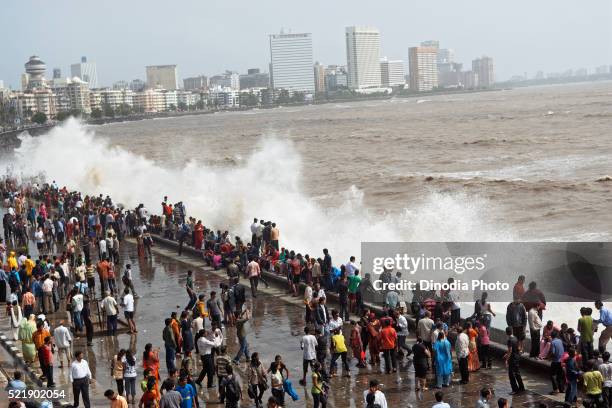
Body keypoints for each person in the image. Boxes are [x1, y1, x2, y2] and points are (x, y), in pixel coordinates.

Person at [504, 326, 525, 395]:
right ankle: (521, 387)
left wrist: (507, 359)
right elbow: (518, 348)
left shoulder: (509, 340)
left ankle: (515, 390)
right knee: (517, 372)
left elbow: (510, 350)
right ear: (512, 331)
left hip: (512, 358)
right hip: (517, 357)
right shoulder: (515, 338)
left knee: (511, 374)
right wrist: (506, 354)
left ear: (506, 333)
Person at [549, 329, 565, 394]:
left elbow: (553, 352)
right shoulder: (560, 340)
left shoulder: (552, 342)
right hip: (561, 360)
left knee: (553, 375)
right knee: (560, 375)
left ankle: (556, 389)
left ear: (551, 336)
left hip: (555, 361)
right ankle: (562, 389)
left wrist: (549, 357)